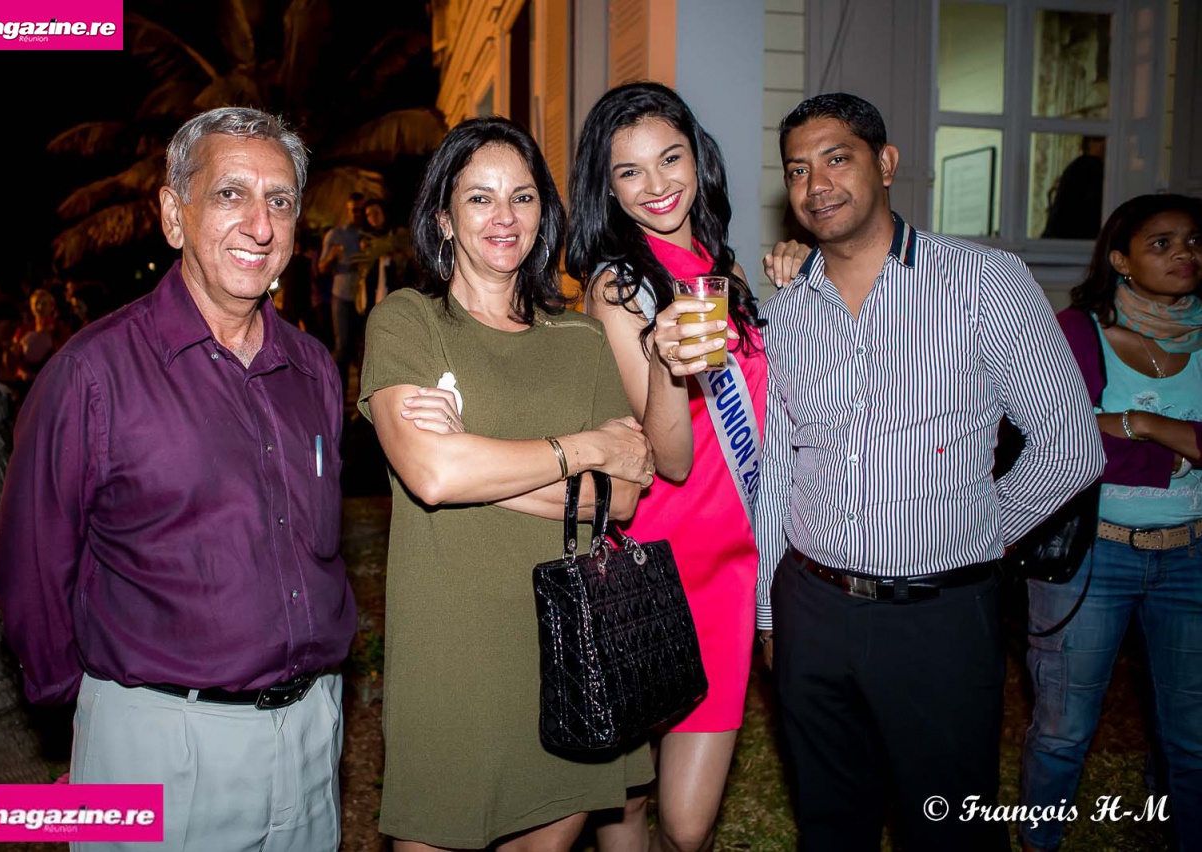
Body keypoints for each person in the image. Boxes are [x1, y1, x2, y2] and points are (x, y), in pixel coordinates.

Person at [0, 107, 356, 852]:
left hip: (312, 735)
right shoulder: (91, 375)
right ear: (172, 214)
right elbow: (32, 572)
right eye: (230, 194)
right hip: (161, 746)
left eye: (280, 200)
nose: (260, 225)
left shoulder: (313, 369)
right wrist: (102, 717)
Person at [754, 92, 1105, 851]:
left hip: (938, 615)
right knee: (829, 824)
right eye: (797, 169)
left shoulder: (985, 281)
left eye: (837, 158)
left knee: (947, 828)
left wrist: (975, 534)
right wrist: (768, 614)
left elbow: (1071, 447)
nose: (816, 184)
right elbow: (779, 469)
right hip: (810, 607)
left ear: (885, 163)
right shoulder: (782, 314)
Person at [359, 116, 656, 850]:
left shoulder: (580, 339)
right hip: (452, 648)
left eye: (522, 197)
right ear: (443, 218)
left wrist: (474, 458)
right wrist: (584, 448)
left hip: (567, 647)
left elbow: (622, 497)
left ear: (542, 213)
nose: (504, 217)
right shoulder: (408, 321)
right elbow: (432, 474)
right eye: (479, 197)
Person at [564, 81, 805, 852]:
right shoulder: (618, 287)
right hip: (657, 564)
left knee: (689, 823)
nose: (656, 184)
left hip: (732, 564)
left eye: (669, 158)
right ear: (607, 187)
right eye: (629, 171)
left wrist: (804, 283)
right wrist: (670, 362)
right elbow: (669, 459)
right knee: (628, 802)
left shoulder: (722, 270)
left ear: (697, 160)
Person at [1020, 193, 1202, 852]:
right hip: (1093, 556)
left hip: (1190, 556)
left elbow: (1096, 433)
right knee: (1062, 729)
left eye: (1193, 241)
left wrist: (1134, 422)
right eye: (1162, 243)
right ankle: (1039, 842)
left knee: (1191, 735)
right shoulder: (1077, 332)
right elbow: (1053, 435)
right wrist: (1166, 445)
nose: (1184, 254)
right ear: (1121, 260)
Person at [319, 190, 366, 397]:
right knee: (343, 346)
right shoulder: (335, 234)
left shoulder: (369, 233)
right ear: (347, 210)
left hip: (366, 298)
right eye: (354, 210)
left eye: (360, 210)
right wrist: (331, 257)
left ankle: (363, 401)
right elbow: (321, 267)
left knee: (364, 348)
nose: (357, 214)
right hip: (342, 295)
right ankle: (338, 396)